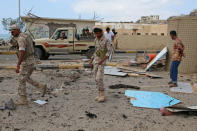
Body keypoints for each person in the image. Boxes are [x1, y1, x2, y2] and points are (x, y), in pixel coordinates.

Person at [10, 24, 47, 105]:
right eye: (10, 31)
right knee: (25, 78)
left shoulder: (21, 38)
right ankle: (41, 86)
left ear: (17, 30)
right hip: (32, 60)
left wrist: (18, 65)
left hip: (26, 62)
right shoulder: (26, 35)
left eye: (13, 31)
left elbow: (22, 52)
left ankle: (23, 100)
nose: (11, 33)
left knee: (21, 80)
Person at [89, 27, 111, 102]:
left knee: (99, 78)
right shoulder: (95, 40)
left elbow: (108, 52)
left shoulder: (106, 40)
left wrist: (102, 60)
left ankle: (102, 95)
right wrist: (91, 59)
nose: (97, 34)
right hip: (95, 61)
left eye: (98, 32)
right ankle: (99, 94)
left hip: (102, 61)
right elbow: (96, 51)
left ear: (101, 32)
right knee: (96, 78)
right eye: (96, 33)